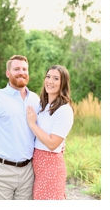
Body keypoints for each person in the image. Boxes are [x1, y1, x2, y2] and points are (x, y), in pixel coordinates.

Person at [0, 55, 40, 200]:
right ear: (8, 73)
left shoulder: (35, 99)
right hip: (0, 171)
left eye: (24, 69)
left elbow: (41, 129)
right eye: (16, 69)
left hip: (28, 173)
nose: (21, 72)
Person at [26, 65, 73, 200]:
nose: (50, 81)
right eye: (48, 77)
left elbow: (52, 144)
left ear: (63, 83)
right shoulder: (44, 106)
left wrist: (32, 124)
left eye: (56, 78)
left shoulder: (64, 110)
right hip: (38, 167)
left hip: (50, 168)